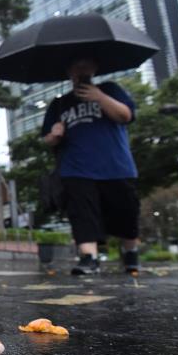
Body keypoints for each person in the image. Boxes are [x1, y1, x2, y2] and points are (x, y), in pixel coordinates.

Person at [41, 56, 140, 275]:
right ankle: (89, 256)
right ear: (69, 72)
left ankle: (131, 253)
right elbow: (47, 139)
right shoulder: (59, 104)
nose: (81, 70)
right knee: (81, 212)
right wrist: (54, 136)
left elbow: (126, 115)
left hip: (115, 165)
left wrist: (99, 97)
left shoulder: (111, 89)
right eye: (76, 66)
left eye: (85, 66)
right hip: (75, 168)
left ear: (95, 68)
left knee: (126, 211)